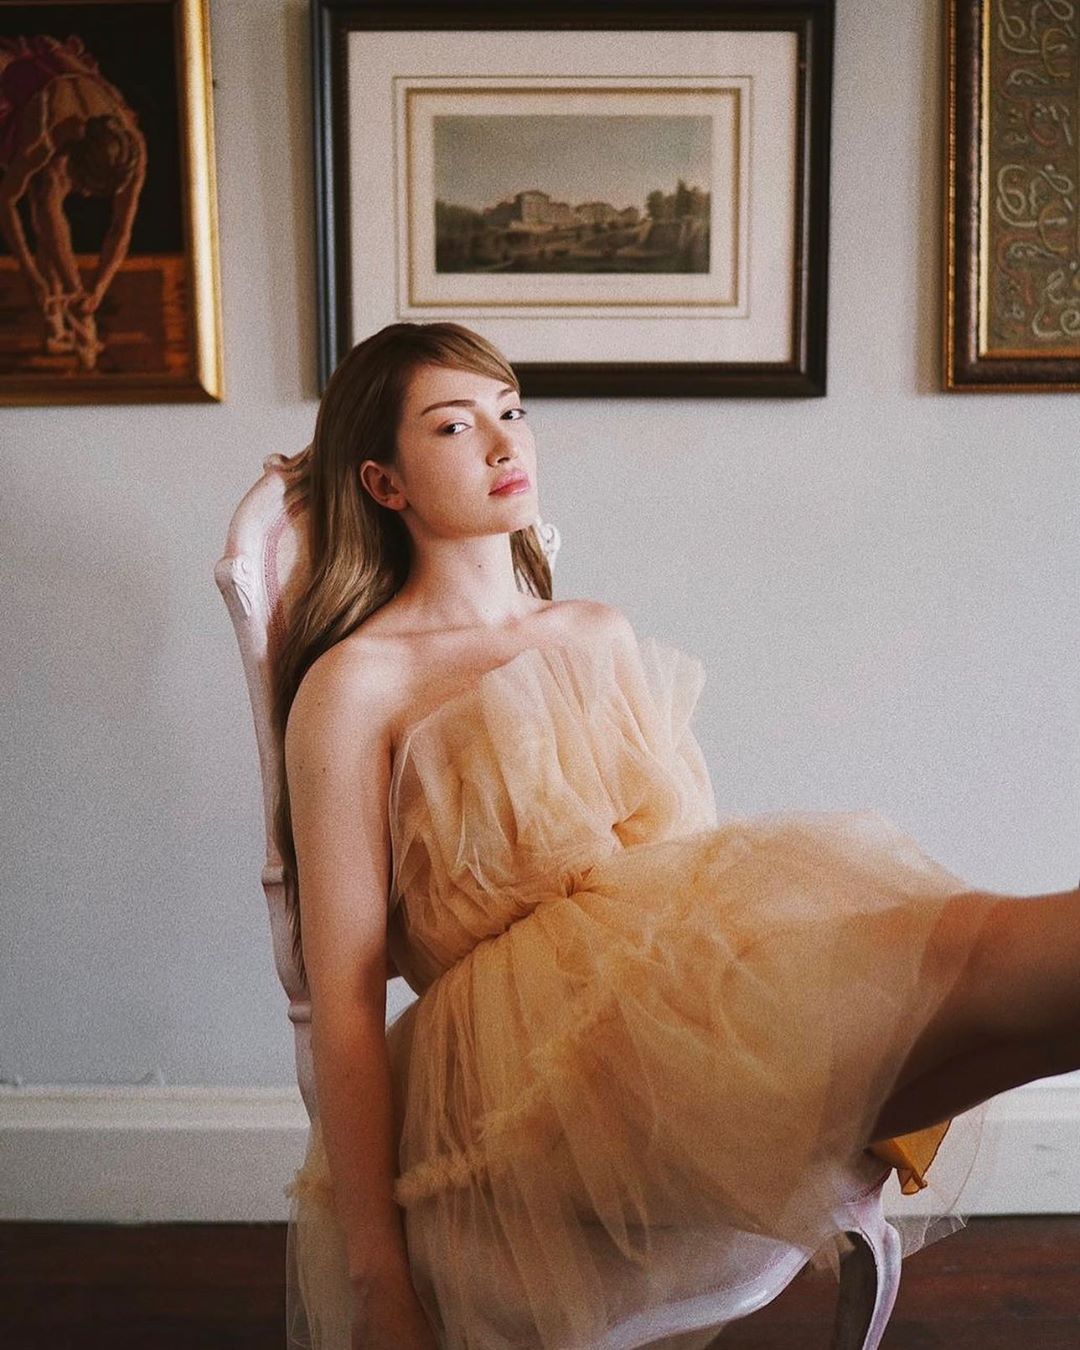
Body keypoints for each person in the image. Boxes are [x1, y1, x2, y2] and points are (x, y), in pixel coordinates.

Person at [272, 321, 1080, 1349]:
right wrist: (378, 1277)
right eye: (455, 426)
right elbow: (344, 995)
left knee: (979, 977)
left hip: (667, 988)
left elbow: (687, 876)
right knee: (973, 968)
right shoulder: (357, 686)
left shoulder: (595, 632)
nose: (506, 443)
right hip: (513, 1066)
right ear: (384, 483)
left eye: (512, 411)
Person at [0, 34, 147, 369]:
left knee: (47, 196)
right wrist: (35, 278)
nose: (85, 197)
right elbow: (6, 203)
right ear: (71, 160)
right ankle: (60, 316)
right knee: (45, 194)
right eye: (84, 188)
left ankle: (68, 312)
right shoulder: (46, 138)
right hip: (23, 84)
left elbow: (121, 228)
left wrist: (97, 291)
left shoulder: (133, 146)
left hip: (75, 91)